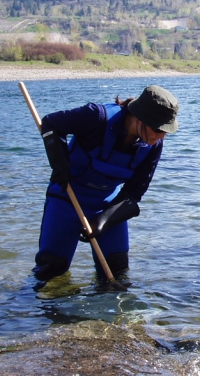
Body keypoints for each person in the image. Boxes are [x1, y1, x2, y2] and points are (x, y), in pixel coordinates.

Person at [33, 85, 180, 281]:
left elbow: (134, 193)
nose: (161, 136)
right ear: (139, 118)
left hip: (107, 205)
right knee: (51, 271)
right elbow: (50, 123)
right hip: (66, 198)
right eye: (158, 129)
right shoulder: (96, 117)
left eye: (166, 131)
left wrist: (103, 221)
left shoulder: (153, 146)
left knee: (117, 272)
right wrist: (60, 166)